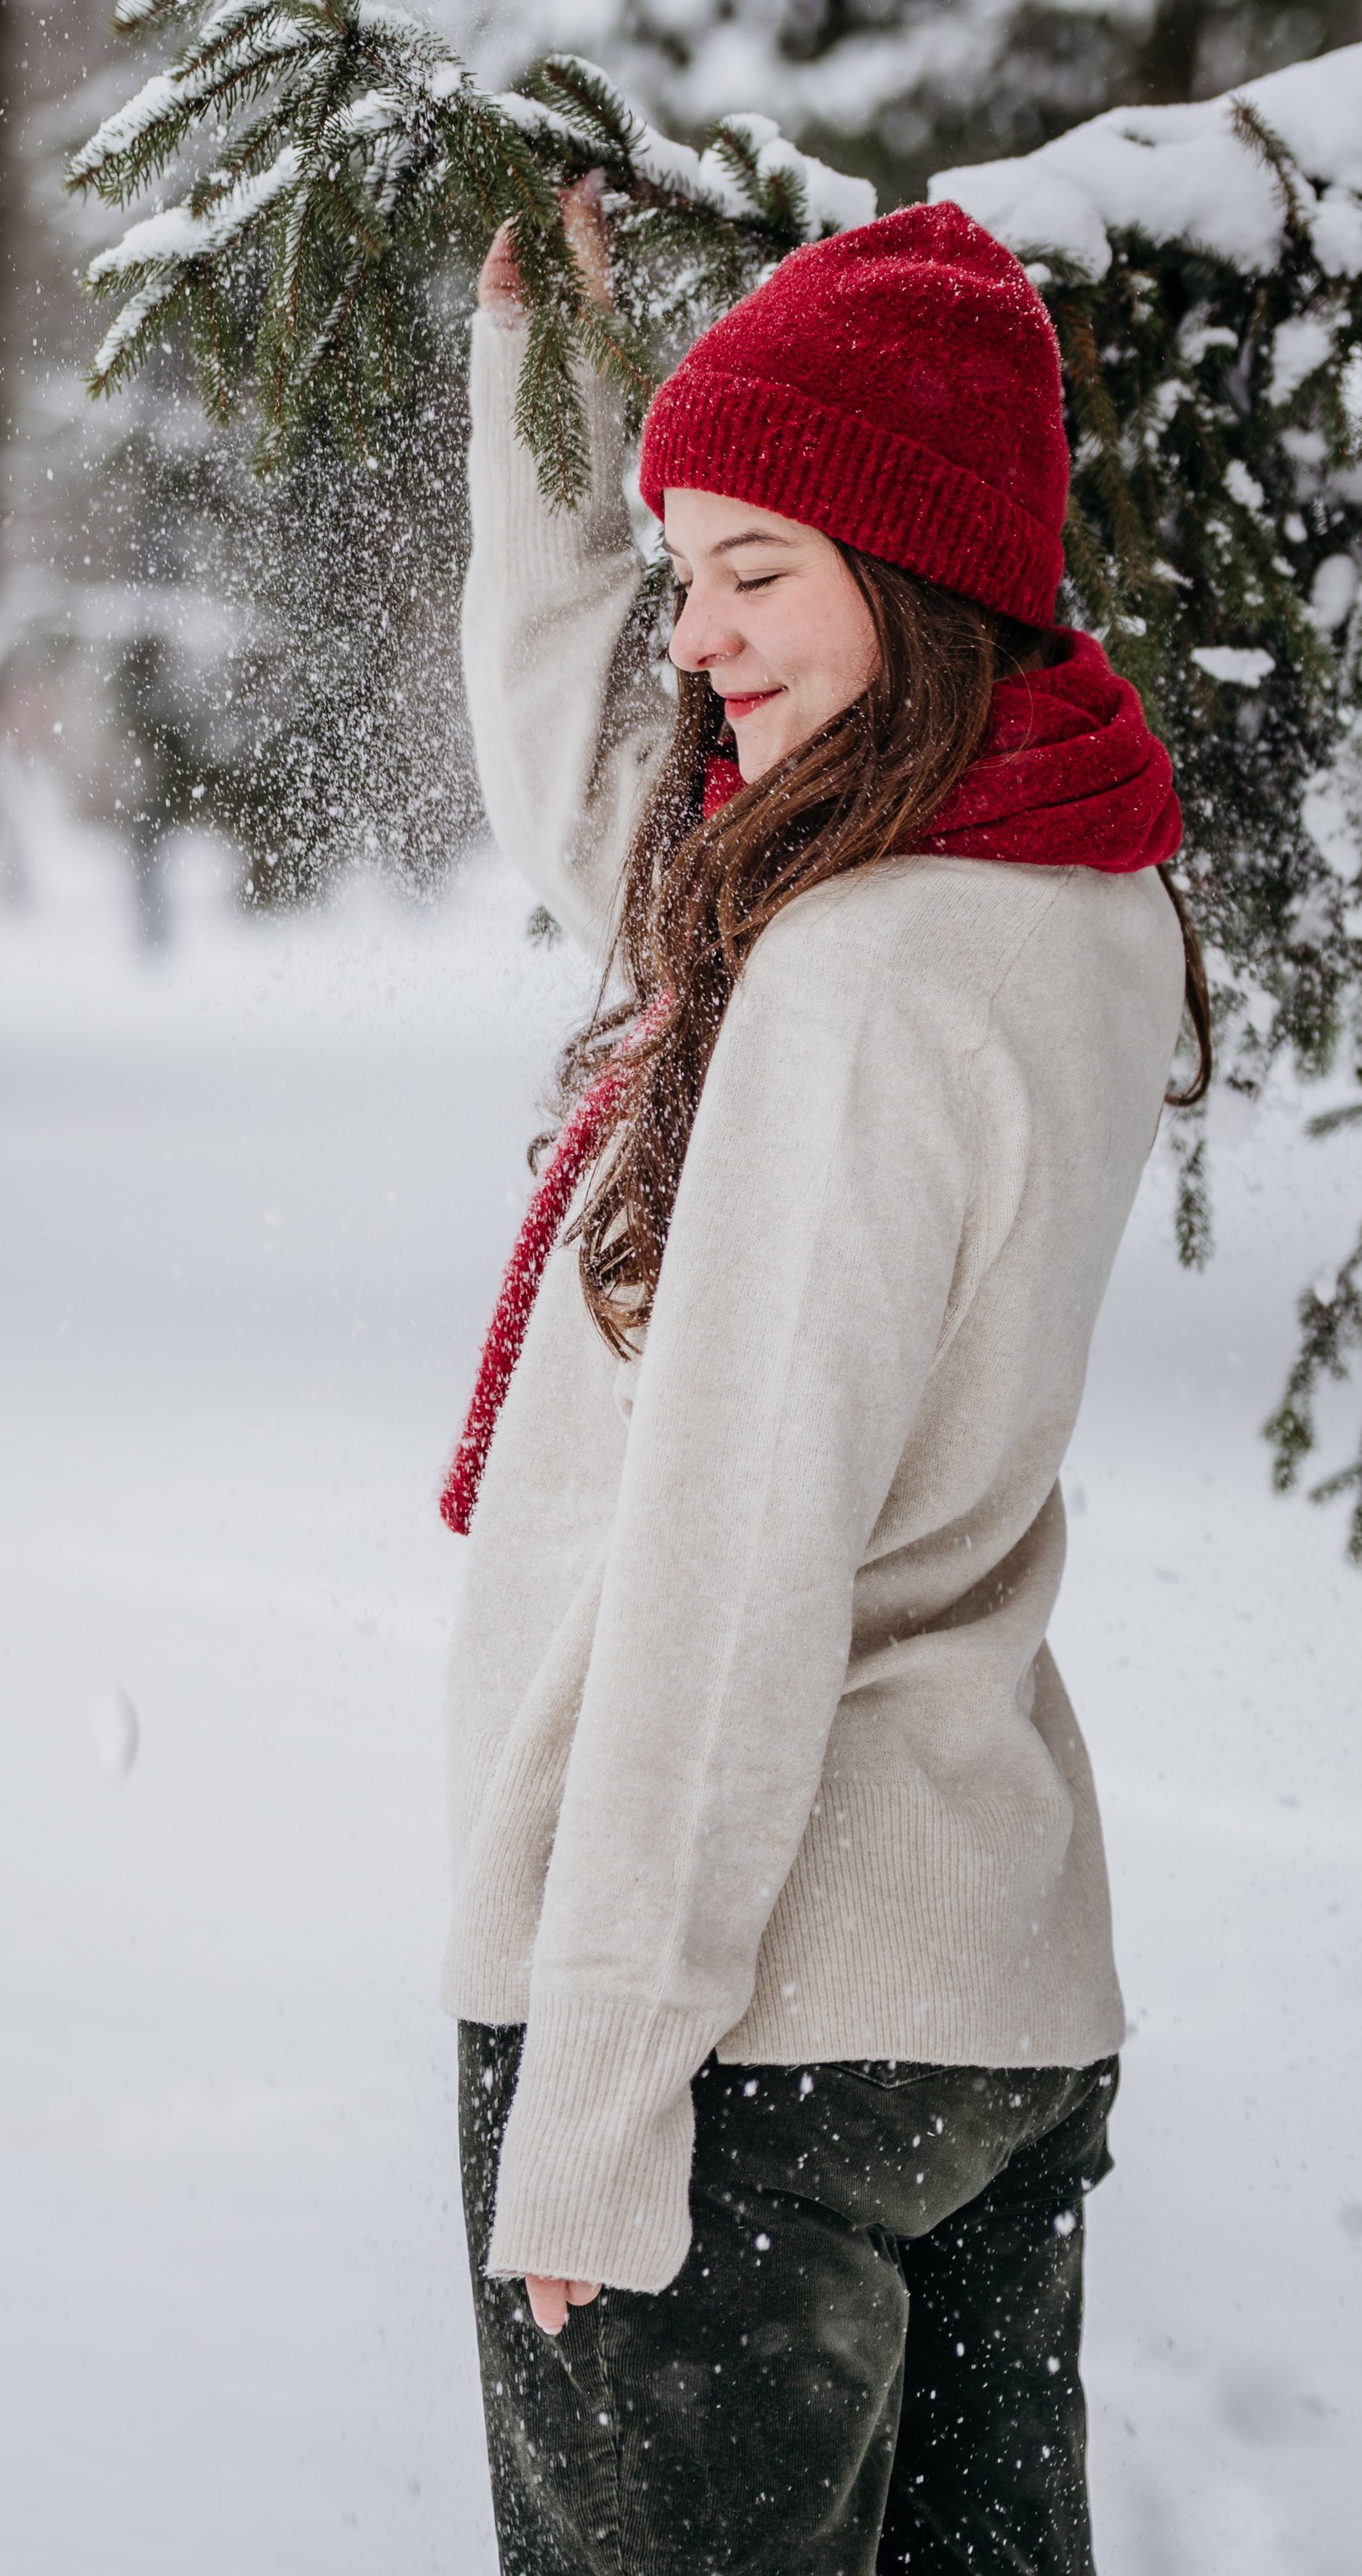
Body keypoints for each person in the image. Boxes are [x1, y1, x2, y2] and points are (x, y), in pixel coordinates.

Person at [441, 183, 1205, 2576]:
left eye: (752, 568)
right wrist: (550, 402)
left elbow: (731, 1557)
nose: (697, 636)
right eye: (680, 571)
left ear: (909, 553)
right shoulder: (1061, 894)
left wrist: (594, 2094)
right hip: (974, 1997)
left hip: (736, 2037)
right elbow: (618, 793)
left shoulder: (853, 982)